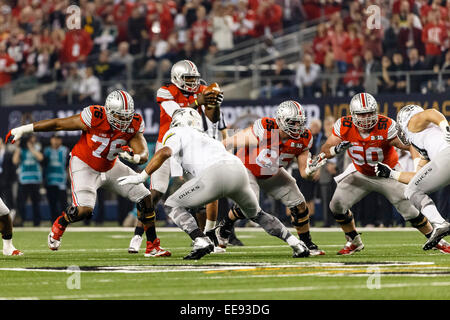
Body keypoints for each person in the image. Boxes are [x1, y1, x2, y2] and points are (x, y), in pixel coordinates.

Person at [118, 108, 310, 260]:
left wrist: (143, 176)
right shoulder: (206, 137)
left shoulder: (176, 132)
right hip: (238, 170)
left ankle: (200, 240)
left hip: (215, 174)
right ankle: (295, 243)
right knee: (256, 214)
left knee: (171, 205)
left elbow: (165, 152)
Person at [5, 90, 170, 257]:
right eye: (120, 116)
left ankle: (152, 246)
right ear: (109, 111)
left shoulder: (134, 122)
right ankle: (61, 223)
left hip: (111, 166)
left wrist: (135, 158)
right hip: (84, 164)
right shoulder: (95, 116)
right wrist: (24, 129)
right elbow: (58, 124)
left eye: (127, 115)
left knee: (145, 197)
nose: (124, 120)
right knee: (84, 211)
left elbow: (143, 153)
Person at [319, 92, 449, 254]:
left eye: (369, 113)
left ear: (376, 112)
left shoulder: (385, 125)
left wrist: (417, 164)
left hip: (386, 172)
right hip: (359, 171)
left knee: (411, 211)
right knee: (336, 205)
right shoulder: (344, 125)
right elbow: (325, 149)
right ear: (353, 114)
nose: (366, 117)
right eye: (361, 114)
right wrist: (334, 149)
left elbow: (409, 145)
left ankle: (439, 241)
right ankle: (353, 241)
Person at [128, 59, 223, 254]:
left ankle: (205, 237)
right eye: (188, 79)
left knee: (202, 190)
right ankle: (138, 234)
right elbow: (178, 113)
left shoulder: (202, 90)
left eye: (194, 79)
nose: (193, 83)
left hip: (190, 146)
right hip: (168, 143)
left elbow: (213, 118)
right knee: (155, 193)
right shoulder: (166, 91)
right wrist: (199, 101)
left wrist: (215, 104)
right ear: (177, 77)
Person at [221, 100, 327, 255]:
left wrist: (311, 170)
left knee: (299, 204)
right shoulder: (265, 128)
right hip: (247, 169)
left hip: (272, 172)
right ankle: (226, 224)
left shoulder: (304, 137)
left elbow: (304, 173)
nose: (297, 127)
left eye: (300, 123)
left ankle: (306, 242)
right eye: (293, 122)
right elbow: (229, 142)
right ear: (281, 120)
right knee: (250, 207)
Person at [375, 105, 450, 252]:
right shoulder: (423, 143)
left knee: (411, 190)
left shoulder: (412, 123)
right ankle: (440, 223)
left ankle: (439, 223)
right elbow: (417, 178)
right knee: (414, 189)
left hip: (446, 156)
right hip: (443, 160)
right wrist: (391, 174)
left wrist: (444, 126)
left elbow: (431, 113)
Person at [12, 134, 43, 227]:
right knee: (21, 203)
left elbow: (40, 158)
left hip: (35, 179)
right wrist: (18, 148)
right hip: (24, 179)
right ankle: (21, 221)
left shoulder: (37, 146)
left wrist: (31, 147)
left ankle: (37, 222)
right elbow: (15, 161)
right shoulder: (21, 149)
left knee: (36, 202)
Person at [43, 133, 69, 222]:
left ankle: (64, 221)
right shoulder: (46, 151)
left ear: (60, 140)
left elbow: (68, 166)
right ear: (51, 140)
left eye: (58, 139)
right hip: (50, 180)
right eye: (54, 139)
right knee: (52, 202)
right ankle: (53, 221)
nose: (55, 141)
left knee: (63, 203)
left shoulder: (65, 150)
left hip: (62, 180)